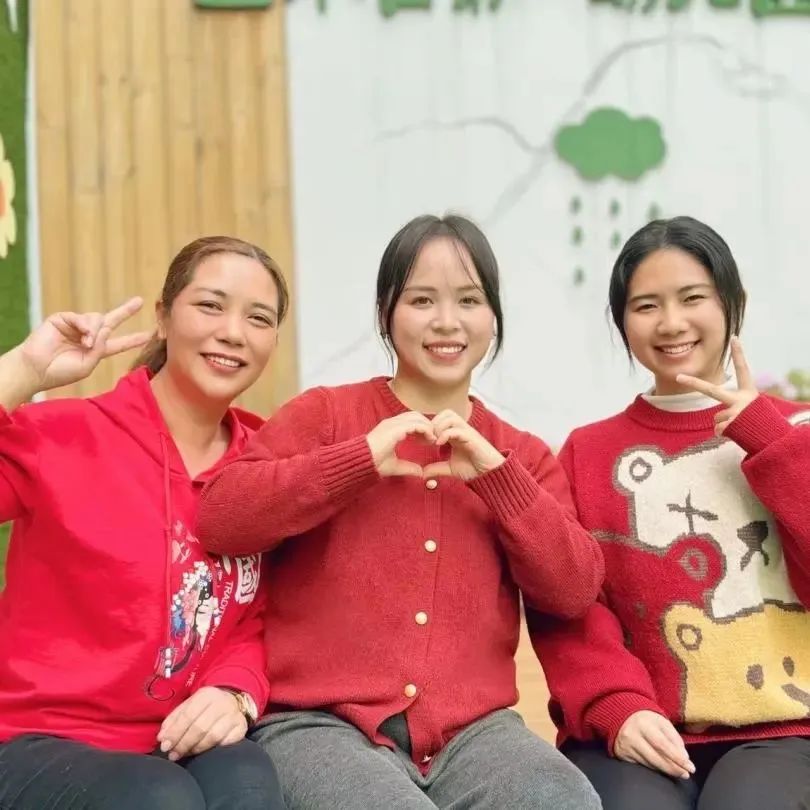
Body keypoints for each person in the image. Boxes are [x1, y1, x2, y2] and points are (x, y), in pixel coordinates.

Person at [197, 214, 604, 809]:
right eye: (421, 300)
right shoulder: (326, 415)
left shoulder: (520, 454)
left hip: (475, 734)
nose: (447, 321)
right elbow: (222, 518)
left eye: (469, 300)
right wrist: (357, 461)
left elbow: (573, 590)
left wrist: (498, 480)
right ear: (386, 311)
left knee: (562, 799)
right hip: (316, 725)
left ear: (493, 317)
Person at [0, 236, 289, 810]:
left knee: (249, 785)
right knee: (160, 799)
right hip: (35, 736)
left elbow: (264, 617)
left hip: (178, 734)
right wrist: (24, 370)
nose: (233, 332)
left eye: (258, 318)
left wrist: (236, 691)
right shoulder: (67, 436)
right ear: (163, 317)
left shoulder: (267, 468)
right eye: (210, 306)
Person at [534, 216, 810, 810]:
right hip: (635, 729)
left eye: (692, 298)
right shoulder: (587, 452)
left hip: (787, 729)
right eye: (646, 306)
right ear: (622, 322)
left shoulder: (795, 430)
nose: (671, 323)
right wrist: (616, 706)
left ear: (732, 302)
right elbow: (568, 605)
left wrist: (765, 439)